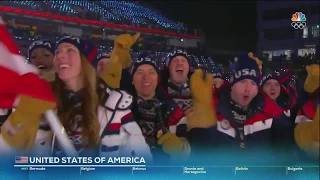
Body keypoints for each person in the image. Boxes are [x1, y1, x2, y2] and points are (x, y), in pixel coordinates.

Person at [0, 36, 152, 159]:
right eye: (58, 51)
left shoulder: (115, 104)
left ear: (86, 62)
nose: (60, 55)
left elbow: (139, 157)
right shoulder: (39, 101)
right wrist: (22, 117)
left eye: (70, 50)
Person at [187, 52, 303, 165]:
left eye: (253, 83)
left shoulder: (271, 112)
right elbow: (198, 154)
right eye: (242, 81)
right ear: (232, 84)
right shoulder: (212, 110)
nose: (248, 89)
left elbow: (289, 152)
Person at [130, 53, 190, 164]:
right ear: (132, 80)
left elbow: (191, 151)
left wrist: (180, 148)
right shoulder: (120, 109)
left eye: (151, 72)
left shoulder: (172, 110)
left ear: (157, 78)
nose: (146, 77)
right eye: (140, 72)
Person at [160, 49, 193, 114]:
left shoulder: (201, 89)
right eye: (175, 60)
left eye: (183, 60)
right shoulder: (157, 89)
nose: (179, 63)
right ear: (168, 67)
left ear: (189, 67)